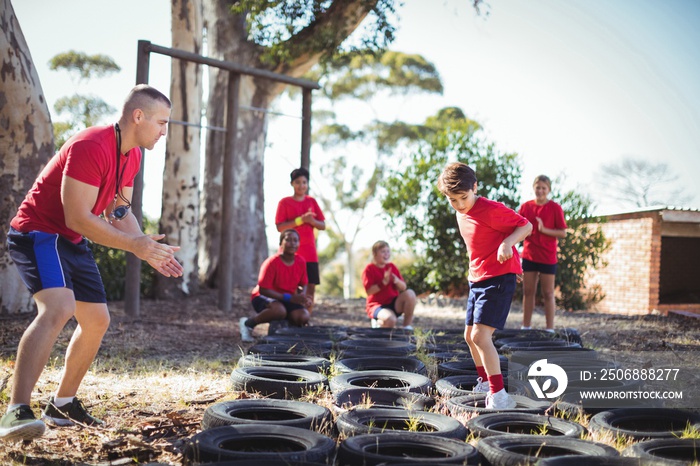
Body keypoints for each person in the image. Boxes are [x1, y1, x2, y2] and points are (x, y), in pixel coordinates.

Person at [0, 85, 183, 442]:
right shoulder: (92, 145)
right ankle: (15, 411)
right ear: (138, 116)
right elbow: (78, 217)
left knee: (97, 320)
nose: (164, 131)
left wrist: (147, 248)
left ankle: (62, 404)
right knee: (59, 308)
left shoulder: (131, 156)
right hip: (39, 232)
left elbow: (118, 211)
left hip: (70, 238)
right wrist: (136, 245)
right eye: (161, 123)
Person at [437, 162, 532, 410]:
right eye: (452, 200)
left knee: (481, 336)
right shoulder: (460, 212)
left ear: (475, 187)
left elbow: (525, 226)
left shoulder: (491, 209)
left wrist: (508, 246)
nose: (459, 204)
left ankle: (500, 394)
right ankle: (484, 381)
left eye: (463, 197)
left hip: (498, 278)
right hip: (477, 279)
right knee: (469, 336)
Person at [239, 229, 312, 342]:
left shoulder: (301, 261)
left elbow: (304, 283)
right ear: (281, 243)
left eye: (295, 240)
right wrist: (289, 298)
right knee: (279, 311)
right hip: (263, 296)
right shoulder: (271, 263)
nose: (292, 243)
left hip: (287, 298)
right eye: (288, 240)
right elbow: (263, 289)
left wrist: (302, 297)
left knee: (303, 316)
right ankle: (248, 324)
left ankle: (285, 330)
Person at [518, 175, 567, 332]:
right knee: (528, 291)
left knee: (548, 293)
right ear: (533, 188)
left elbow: (563, 233)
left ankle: (550, 329)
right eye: (538, 187)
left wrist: (544, 230)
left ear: (549, 190)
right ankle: (526, 326)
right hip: (529, 255)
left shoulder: (555, 208)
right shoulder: (525, 207)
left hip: (547, 256)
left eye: (543, 188)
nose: (540, 191)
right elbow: (517, 227)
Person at [275, 168, 325, 313]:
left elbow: (322, 225)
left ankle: (305, 317)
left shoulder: (312, 202)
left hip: (310, 253)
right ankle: (287, 316)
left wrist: (312, 221)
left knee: (310, 287)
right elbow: (280, 227)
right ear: (292, 183)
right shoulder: (284, 202)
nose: (301, 185)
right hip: (289, 254)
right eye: (297, 182)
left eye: (304, 182)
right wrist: (300, 220)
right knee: (288, 286)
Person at [362, 240, 416, 329]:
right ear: (375, 253)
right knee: (391, 320)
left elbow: (404, 287)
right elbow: (369, 292)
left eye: (388, 251)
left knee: (410, 293)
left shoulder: (392, 267)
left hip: (394, 303)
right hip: (377, 305)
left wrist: (397, 281)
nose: (386, 254)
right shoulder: (369, 269)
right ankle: (378, 322)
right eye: (383, 252)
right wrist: (383, 282)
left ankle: (407, 326)